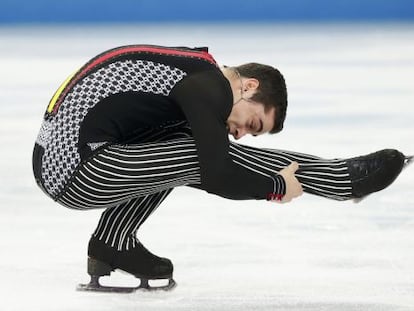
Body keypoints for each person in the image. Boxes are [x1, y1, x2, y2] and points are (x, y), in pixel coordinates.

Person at [32, 45, 409, 292]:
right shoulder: (207, 86)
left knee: (187, 141)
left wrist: (269, 181)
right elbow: (216, 173)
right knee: (198, 152)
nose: (242, 133)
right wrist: (275, 187)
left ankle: (112, 244)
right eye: (253, 123)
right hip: (74, 170)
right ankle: (340, 179)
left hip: (67, 160)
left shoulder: (197, 74)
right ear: (248, 86)